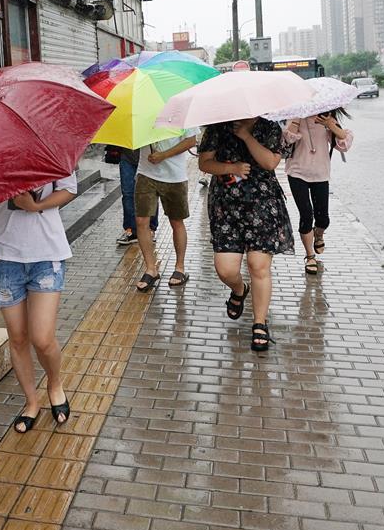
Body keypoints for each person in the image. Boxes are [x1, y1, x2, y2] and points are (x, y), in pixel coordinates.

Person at [0, 175, 77, 433]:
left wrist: (35, 206)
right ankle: (31, 402)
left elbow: (69, 190)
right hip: (3, 255)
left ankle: (55, 384)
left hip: (47, 254)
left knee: (42, 338)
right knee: (17, 337)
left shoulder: (50, 145)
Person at [198, 118, 295, 352]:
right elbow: (204, 163)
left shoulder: (270, 128)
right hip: (226, 207)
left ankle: (259, 323)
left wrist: (246, 136)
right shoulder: (217, 126)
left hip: (263, 204)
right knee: (226, 270)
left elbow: (271, 162)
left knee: (258, 264)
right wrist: (230, 168)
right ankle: (240, 290)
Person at [283, 109, 353, 274]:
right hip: (297, 172)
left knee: (323, 219)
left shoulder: (326, 117)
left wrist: (329, 124)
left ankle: (319, 234)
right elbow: (287, 140)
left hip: (321, 173)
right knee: (306, 214)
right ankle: (310, 256)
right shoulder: (296, 115)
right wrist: (296, 119)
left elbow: (344, 143)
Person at [134, 130, 199, 292]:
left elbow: (191, 141)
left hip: (174, 176)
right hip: (145, 173)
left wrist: (164, 155)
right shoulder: (141, 109)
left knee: (176, 221)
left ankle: (180, 267)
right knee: (141, 221)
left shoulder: (181, 107)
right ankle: (150, 269)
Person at [116, 146, 158, 245]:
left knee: (151, 195)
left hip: (149, 158)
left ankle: (150, 228)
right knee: (127, 194)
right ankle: (130, 230)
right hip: (127, 156)